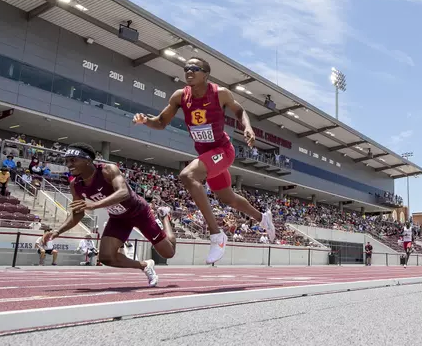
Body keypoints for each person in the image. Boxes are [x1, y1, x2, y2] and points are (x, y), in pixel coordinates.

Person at [133, 57, 274, 264]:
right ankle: (263, 218)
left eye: (194, 68)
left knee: (188, 175)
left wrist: (248, 128)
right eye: (186, 68)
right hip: (207, 156)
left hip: (223, 151)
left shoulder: (220, 93)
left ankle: (217, 235)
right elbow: (161, 122)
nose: (188, 71)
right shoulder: (180, 96)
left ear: (205, 74)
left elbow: (240, 111)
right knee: (228, 198)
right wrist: (146, 120)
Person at [51, 143, 176, 287]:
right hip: (119, 218)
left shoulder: (108, 170)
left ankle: (165, 216)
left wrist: (94, 205)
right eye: (67, 161)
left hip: (139, 213)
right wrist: (57, 231)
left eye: (73, 160)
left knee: (168, 253)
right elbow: (77, 214)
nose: (69, 164)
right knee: (106, 257)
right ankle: (145, 265)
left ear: (87, 160)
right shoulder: (75, 185)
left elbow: (124, 193)